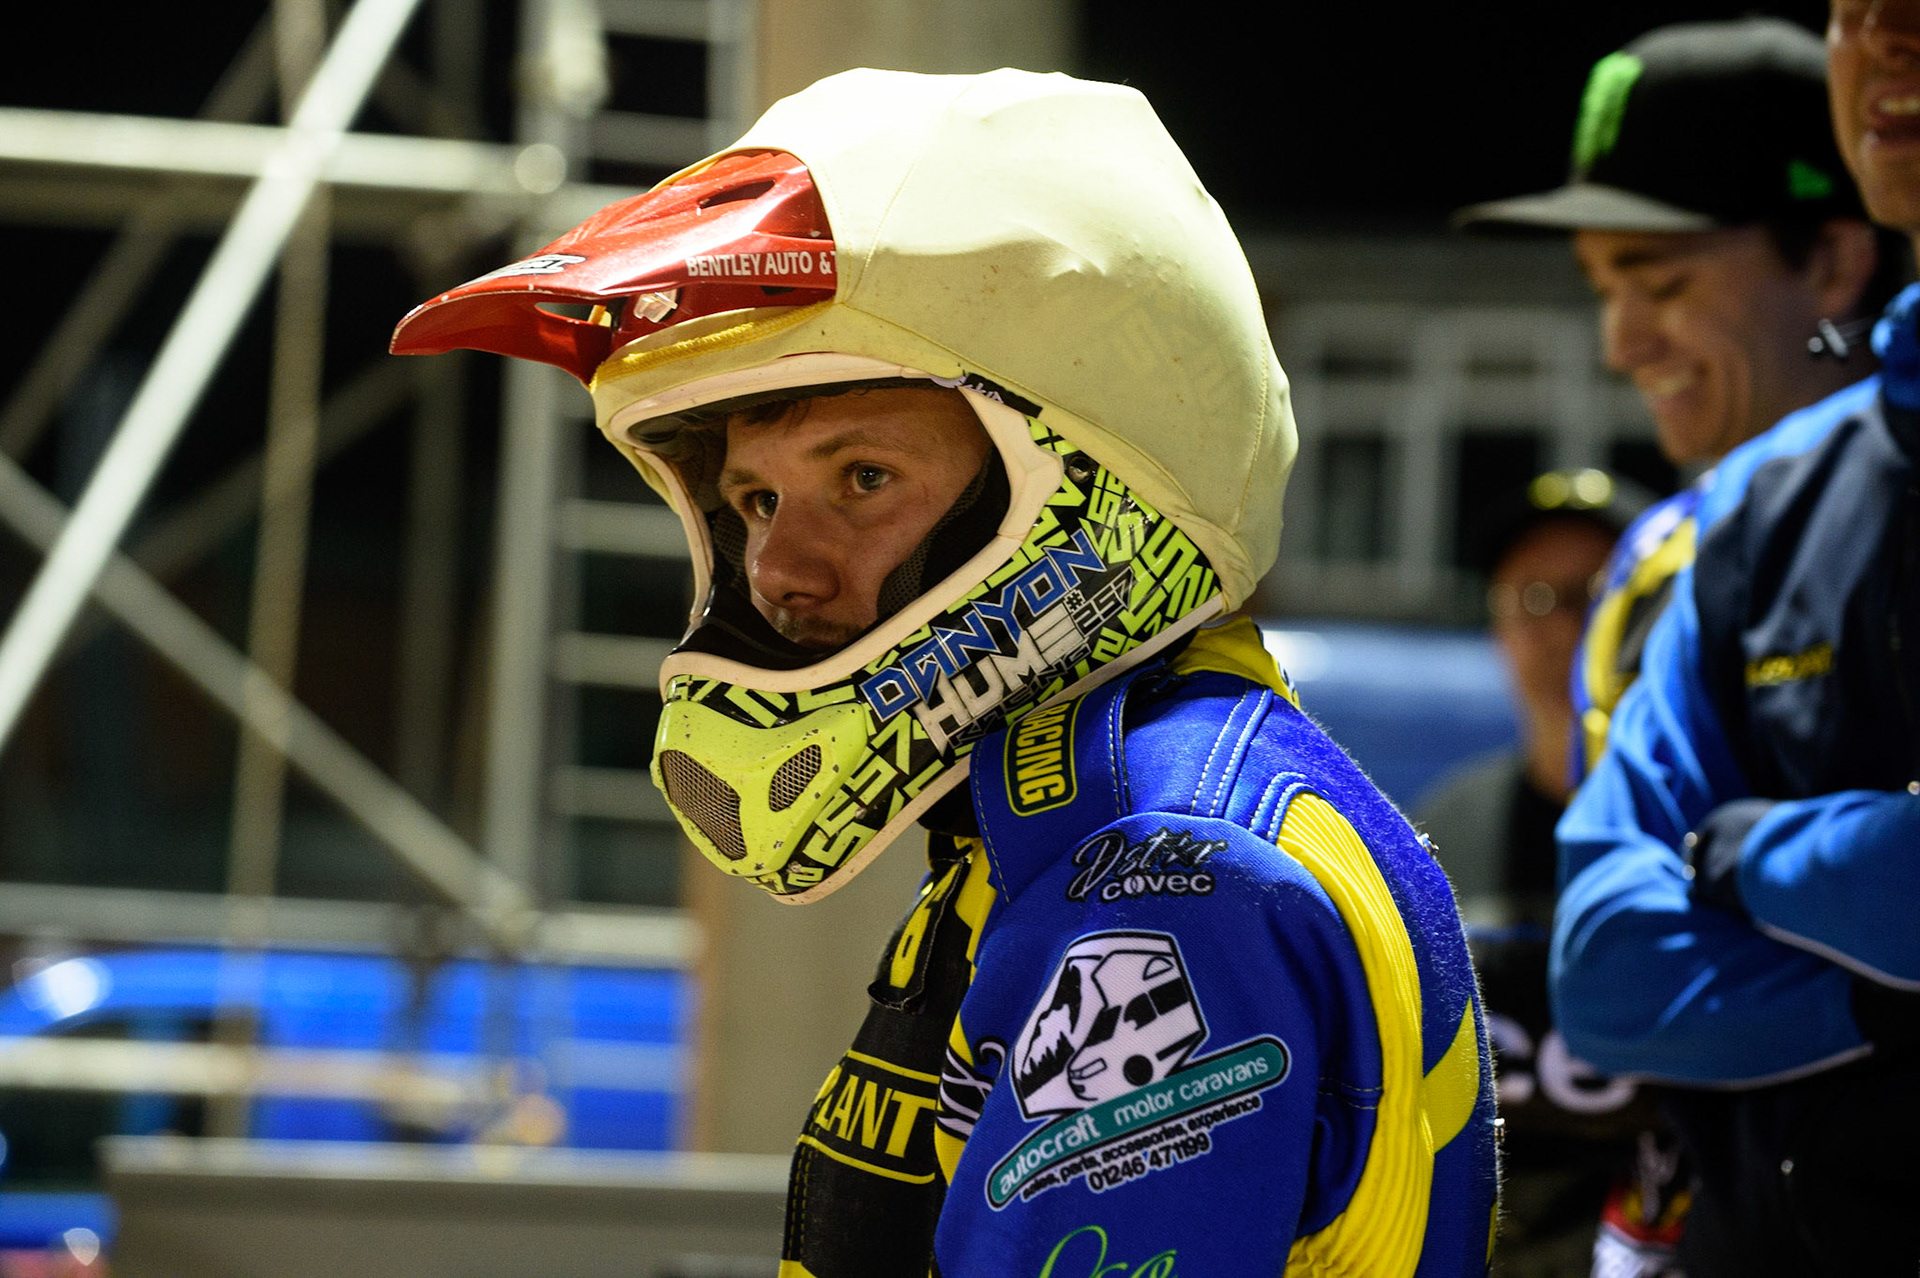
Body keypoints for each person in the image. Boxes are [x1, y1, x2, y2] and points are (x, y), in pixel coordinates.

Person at [393, 69, 1498, 1275]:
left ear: (1088, 487)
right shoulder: (1058, 820)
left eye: (862, 479)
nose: (779, 571)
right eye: (756, 500)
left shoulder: (1164, 882)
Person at [1549, 2, 1920, 1271]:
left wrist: (1747, 854)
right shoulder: (1712, 535)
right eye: (1602, 288)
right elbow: (1604, 964)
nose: (1621, 341)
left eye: (1661, 282)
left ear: (1832, 259)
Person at [1417, 471, 1657, 1277]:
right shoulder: (1428, 838)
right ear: (1498, 627)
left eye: (1597, 595)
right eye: (1536, 600)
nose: (1569, 630)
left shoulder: (1708, 832)